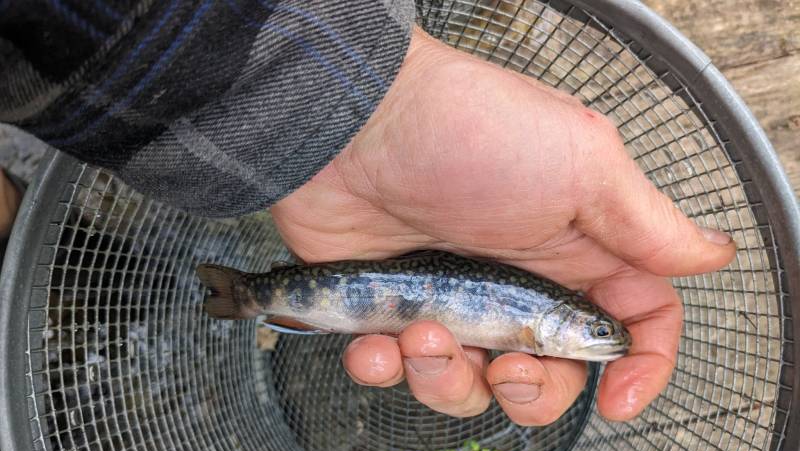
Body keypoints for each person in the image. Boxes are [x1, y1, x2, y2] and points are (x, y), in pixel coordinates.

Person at [0, 2, 735, 426]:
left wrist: (378, 104)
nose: (603, 341)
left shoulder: (538, 314)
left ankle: (249, 293)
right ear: (563, 323)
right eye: (598, 332)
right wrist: (376, 106)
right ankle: (250, 294)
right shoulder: (531, 317)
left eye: (599, 335)